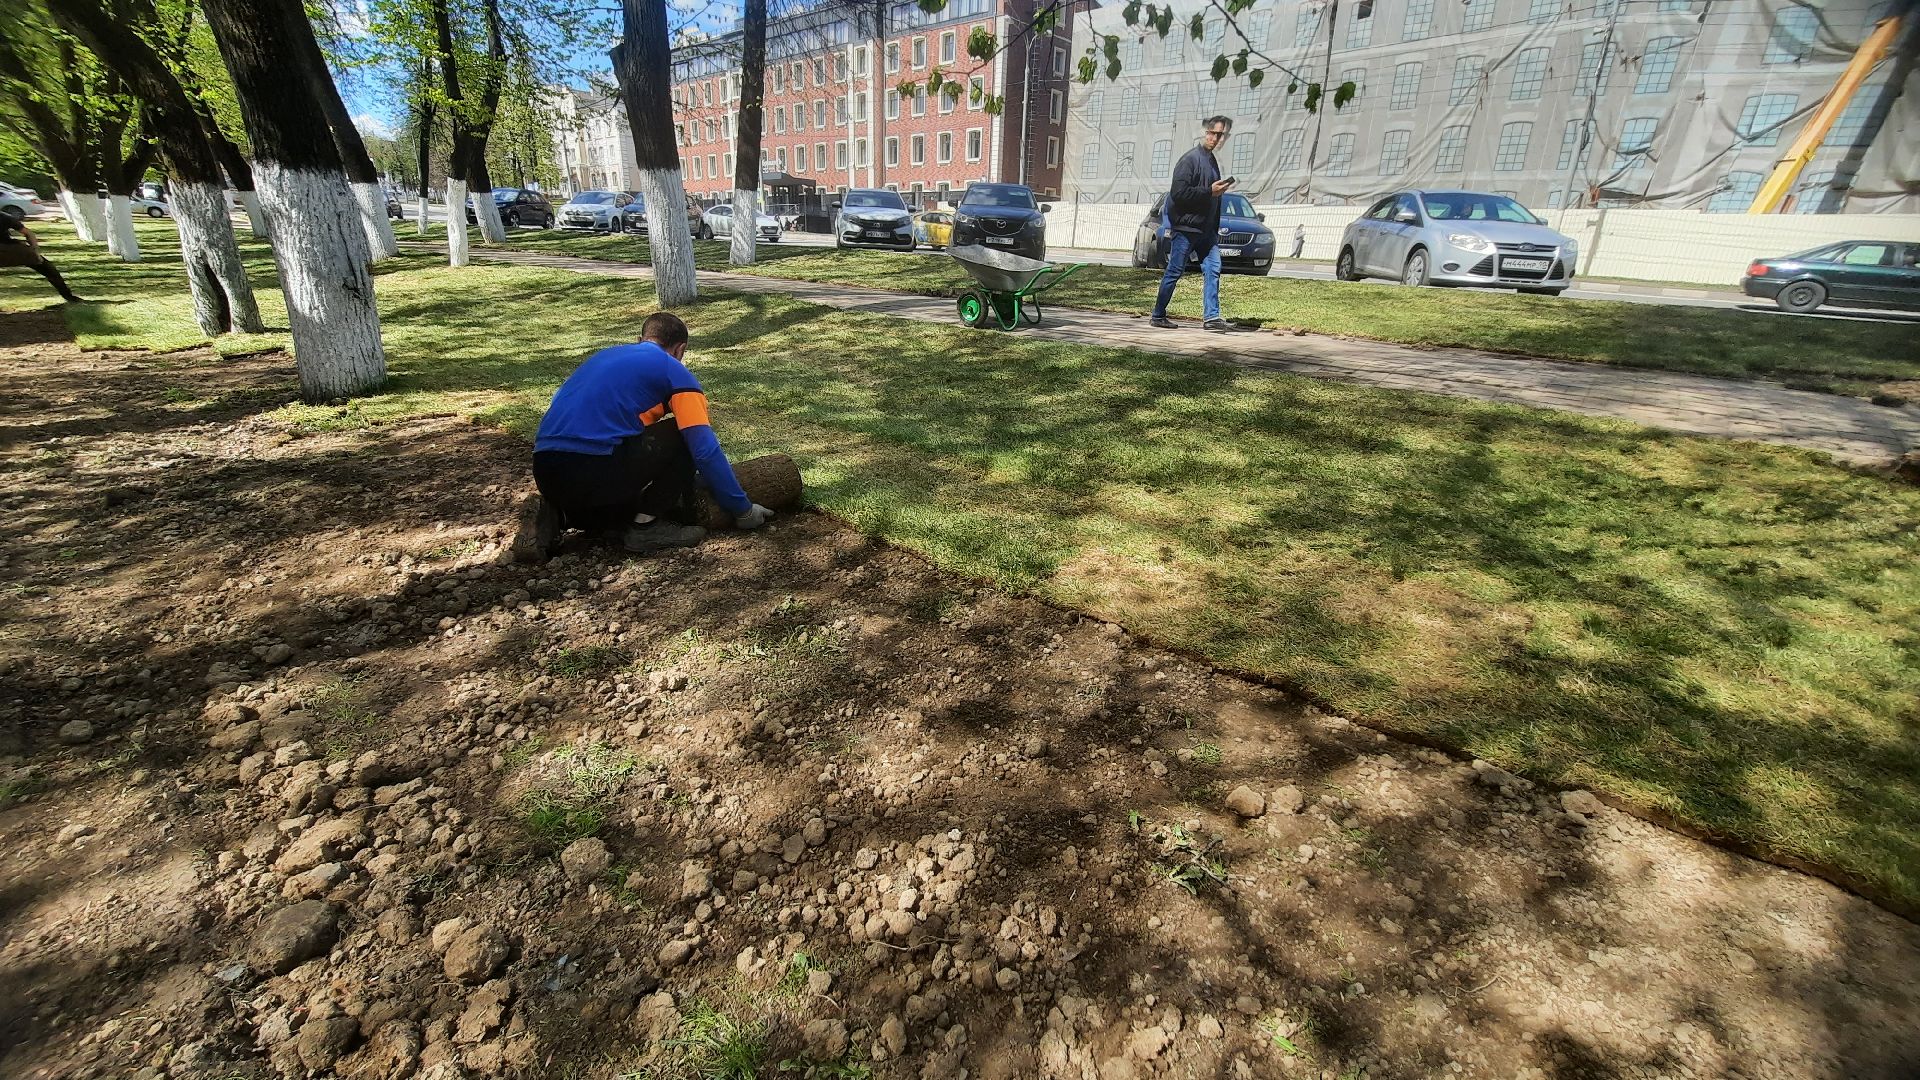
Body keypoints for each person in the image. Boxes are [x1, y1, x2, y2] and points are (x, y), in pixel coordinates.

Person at [530, 311, 770, 556]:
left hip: (545, 470)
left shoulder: (603, 357)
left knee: (626, 488)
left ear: (640, 339)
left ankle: (560, 515)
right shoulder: (674, 371)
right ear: (680, 350)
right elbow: (704, 449)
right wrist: (743, 510)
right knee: (683, 436)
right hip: (593, 470)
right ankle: (646, 527)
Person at [1151, 116, 1235, 333]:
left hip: (1206, 231)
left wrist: (1215, 201)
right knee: (1174, 271)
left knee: (1213, 269)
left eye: (1221, 135)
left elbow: (1211, 197)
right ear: (1205, 132)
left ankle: (1212, 317)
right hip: (1186, 229)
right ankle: (1158, 315)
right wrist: (1209, 191)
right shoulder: (1189, 160)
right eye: (1213, 133)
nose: (1217, 139)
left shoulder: (1211, 161)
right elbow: (1178, 194)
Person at [0, 217, 81, 303]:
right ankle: (69, 297)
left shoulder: (4, 218)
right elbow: (28, 233)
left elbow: (28, 233)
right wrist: (35, 252)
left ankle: (69, 297)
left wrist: (35, 253)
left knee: (48, 269)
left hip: (12, 251)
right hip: (12, 250)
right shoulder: (4, 217)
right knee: (49, 269)